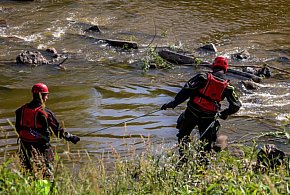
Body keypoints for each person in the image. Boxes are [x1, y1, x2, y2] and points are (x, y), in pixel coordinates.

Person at [161, 56, 242, 162]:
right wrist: (225, 113)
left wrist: (173, 103)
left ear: (213, 66)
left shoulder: (202, 77)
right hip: (208, 117)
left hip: (192, 113)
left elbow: (186, 91)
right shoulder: (228, 87)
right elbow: (236, 105)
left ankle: (183, 159)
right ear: (225, 69)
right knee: (206, 144)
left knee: (183, 136)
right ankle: (202, 166)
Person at [15, 83, 80, 178]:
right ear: (43, 96)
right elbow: (57, 131)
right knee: (47, 172)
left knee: (26, 172)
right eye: (46, 95)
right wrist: (71, 137)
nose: (47, 98)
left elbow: (18, 128)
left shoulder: (21, 110)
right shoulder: (45, 113)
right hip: (42, 147)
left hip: (24, 146)